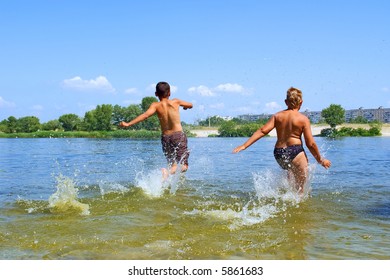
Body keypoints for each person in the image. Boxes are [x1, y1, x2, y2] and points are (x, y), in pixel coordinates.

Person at [233, 87, 331, 193]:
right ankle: (298, 206)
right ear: (301, 102)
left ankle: (285, 199)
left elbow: (262, 131)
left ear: (285, 102)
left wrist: (244, 145)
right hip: (295, 150)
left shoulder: (277, 116)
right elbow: (310, 143)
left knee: (290, 174)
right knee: (300, 189)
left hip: (279, 153)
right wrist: (321, 160)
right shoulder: (303, 119)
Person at [120, 81, 193, 176]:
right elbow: (190, 104)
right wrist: (185, 107)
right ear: (169, 93)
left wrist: (128, 124)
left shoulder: (155, 105)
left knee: (172, 165)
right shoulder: (176, 101)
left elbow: (145, 115)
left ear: (156, 94)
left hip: (166, 138)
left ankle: (166, 183)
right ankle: (167, 173)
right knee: (184, 166)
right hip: (178, 136)